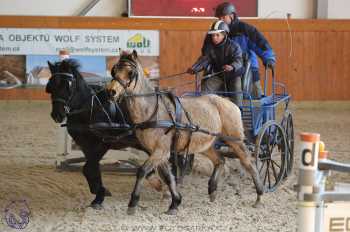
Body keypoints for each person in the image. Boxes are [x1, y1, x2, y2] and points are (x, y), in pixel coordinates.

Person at [203, 2, 276, 98]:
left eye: (223, 18)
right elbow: (206, 52)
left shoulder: (245, 29)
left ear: (232, 16)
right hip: (222, 70)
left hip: (248, 68)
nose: (220, 20)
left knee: (256, 99)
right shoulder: (214, 32)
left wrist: (269, 57)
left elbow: (261, 44)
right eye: (219, 18)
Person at [187, 20, 243, 106]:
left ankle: (239, 110)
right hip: (219, 75)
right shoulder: (210, 47)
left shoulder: (234, 46)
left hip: (234, 75)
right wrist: (195, 68)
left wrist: (232, 66)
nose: (214, 38)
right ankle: (204, 110)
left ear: (224, 35)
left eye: (217, 35)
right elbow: (204, 60)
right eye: (213, 35)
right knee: (205, 90)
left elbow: (239, 61)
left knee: (236, 89)